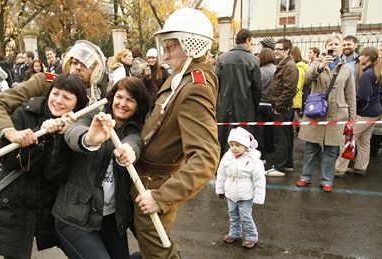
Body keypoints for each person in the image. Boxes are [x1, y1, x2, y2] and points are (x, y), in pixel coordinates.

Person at [0, 40, 106, 259]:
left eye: (84, 65)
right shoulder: (44, 82)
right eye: (73, 61)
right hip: (16, 176)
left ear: (95, 72)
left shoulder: (94, 101)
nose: (76, 67)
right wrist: (12, 134)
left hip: (55, 192)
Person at [133, 8, 220, 258]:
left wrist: (162, 197)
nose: (166, 54)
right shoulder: (182, 78)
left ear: (191, 45)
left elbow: (205, 159)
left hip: (156, 186)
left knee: (158, 254)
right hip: (145, 180)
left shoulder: (195, 87)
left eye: (172, 47)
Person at [0, 74, 88, 259]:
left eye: (67, 97)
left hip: (47, 204)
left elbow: (54, 175)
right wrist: (33, 137)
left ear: (77, 105)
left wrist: (58, 138)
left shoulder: (76, 127)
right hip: (15, 201)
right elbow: (9, 162)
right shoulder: (23, 113)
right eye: (55, 94)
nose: (58, 101)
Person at [53, 76, 148, 259]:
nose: (122, 103)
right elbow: (73, 132)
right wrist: (89, 139)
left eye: (130, 100)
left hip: (110, 218)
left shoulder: (135, 131)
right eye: (119, 97)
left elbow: (134, 142)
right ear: (112, 98)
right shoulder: (92, 116)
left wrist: (128, 152)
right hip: (74, 217)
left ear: (138, 106)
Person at [296, 33, 356, 192]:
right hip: (316, 112)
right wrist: (320, 66)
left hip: (337, 114)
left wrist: (352, 118)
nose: (333, 47)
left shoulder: (347, 68)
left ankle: (326, 180)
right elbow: (307, 79)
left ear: (341, 47)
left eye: (337, 44)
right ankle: (305, 177)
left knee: (331, 150)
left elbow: (350, 94)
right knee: (310, 148)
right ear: (326, 47)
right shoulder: (316, 64)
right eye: (330, 44)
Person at [335, 47, 382, 177]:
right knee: (364, 141)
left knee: (347, 139)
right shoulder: (376, 72)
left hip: (365, 113)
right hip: (376, 112)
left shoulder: (367, 75)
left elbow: (362, 97)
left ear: (367, 57)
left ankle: (340, 169)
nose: (359, 58)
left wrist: (354, 111)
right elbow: (381, 92)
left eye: (361, 55)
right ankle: (360, 167)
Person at [215, 127, 266, 249]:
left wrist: (258, 197)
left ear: (246, 146)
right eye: (231, 144)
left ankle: (251, 236)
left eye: (237, 145)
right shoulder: (227, 157)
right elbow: (221, 174)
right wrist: (220, 190)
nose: (233, 147)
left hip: (245, 196)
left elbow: (259, 180)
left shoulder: (254, 161)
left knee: (245, 216)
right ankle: (235, 233)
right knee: (233, 215)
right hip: (231, 194)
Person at [216, 28, 261, 155]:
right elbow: (257, 88)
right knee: (244, 137)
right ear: (247, 40)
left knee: (223, 135)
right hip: (245, 105)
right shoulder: (253, 60)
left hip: (225, 104)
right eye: (251, 42)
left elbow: (216, 84)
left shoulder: (222, 58)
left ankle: (221, 163)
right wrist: (254, 105)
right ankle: (242, 164)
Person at [265, 38, 298, 177]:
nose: (275, 51)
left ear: (287, 50)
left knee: (281, 138)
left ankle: (279, 167)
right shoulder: (285, 65)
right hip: (283, 107)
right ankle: (288, 164)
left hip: (282, 108)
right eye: (275, 49)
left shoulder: (289, 66)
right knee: (286, 137)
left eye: (279, 49)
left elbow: (289, 89)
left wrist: (278, 107)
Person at [255, 48, 276, 161]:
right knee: (270, 129)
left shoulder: (259, 71)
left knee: (259, 130)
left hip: (259, 103)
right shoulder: (277, 70)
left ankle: (261, 155)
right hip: (271, 104)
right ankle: (270, 152)